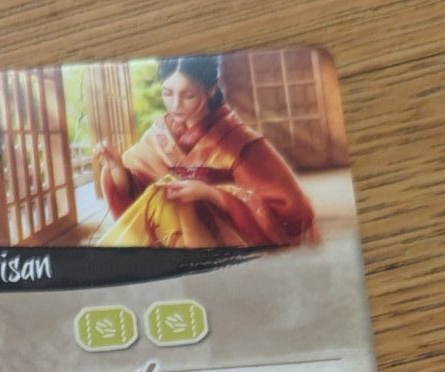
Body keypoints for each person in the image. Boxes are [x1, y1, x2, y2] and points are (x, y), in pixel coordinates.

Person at [91, 57, 316, 249]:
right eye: (167, 93)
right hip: (170, 232)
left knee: (167, 201)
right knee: (160, 197)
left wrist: (210, 194)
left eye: (188, 95)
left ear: (210, 91)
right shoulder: (158, 134)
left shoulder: (239, 140)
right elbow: (135, 190)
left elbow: (292, 209)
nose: (175, 105)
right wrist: (116, 168)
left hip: (221, 237)